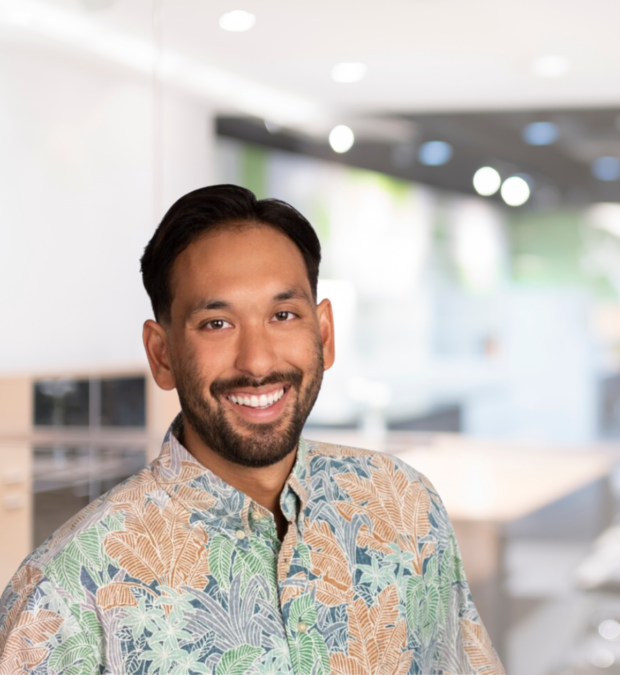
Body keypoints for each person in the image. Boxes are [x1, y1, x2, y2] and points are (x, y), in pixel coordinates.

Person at [0, 185, 504, 674]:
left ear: (324, 334)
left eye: (283, 315)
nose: (258, 362)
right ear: (162, 353)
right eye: (217, 323)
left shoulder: (403, 504)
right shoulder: (67, 591)